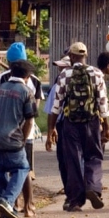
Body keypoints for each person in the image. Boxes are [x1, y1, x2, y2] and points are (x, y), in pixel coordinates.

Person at [47, 42, 109, 212]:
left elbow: (56, 106)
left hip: (71, 123)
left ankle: (75, 201)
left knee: (73, 160)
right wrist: (107, 127)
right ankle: (93, 187)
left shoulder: (64, 75)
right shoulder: (96, 73)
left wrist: (51, 129)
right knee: (94, 156)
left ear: (72, 57)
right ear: (86, 55)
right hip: (92, 122)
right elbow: (102, 102)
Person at [0, 61, 36, 218]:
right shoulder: (26, 91)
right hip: (13, 138)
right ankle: (7, 201)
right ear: (27, 77)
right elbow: (29, 120)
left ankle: (8, 210)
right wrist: (22, 139)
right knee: (22, 168)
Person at [0, 43, 42, 217]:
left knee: (12, 169)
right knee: (25, 169)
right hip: (27, 131)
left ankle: (13, 205)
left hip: (7, 131)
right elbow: (35, 109)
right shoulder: (35, 80)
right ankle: (29, 206)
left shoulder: (3, 78)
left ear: (9, 63)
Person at [43, 56, 72, 193]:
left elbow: (51, 111)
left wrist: (50, 131)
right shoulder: (90, 80)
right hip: (84, 125)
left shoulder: (57, 86)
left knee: (63, 157)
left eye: (63, 67)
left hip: (63, 125)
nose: (60, 70)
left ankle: (68, 187)